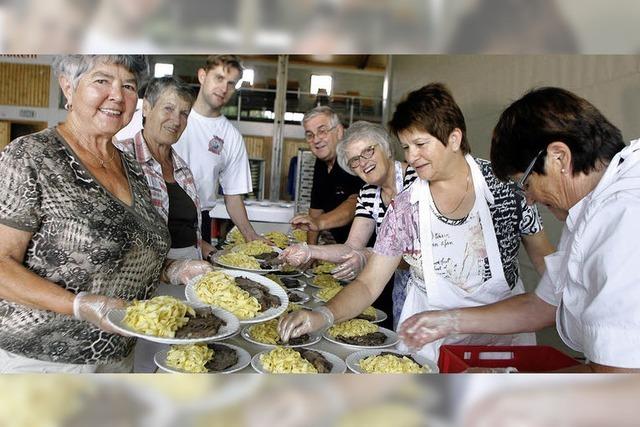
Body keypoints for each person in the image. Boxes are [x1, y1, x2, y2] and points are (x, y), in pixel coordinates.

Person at [279, 83, 555, 362]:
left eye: (421, 145)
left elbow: (545, 259)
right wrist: (323, 315)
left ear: (454, 138)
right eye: (406, 147)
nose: (411, 157)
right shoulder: (404, 208)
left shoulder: (505, 189)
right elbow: (368, 284)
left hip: (503, 341)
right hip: (431, 342)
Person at [398, 87, 640, 373]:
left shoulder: (623, 220)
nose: (528, 198)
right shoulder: (590, 212)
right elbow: (545, 305)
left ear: (559, 157)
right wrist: (448, 320)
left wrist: (503, 387)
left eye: (524, 183)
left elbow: (619, 383)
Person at [0, 55, 208, 373]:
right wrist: (79, 305)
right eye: (101, 81)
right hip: (44, 360)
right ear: (68, 87)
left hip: (117, 355)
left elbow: (123, 254)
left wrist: (174, 270)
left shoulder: (133, 169)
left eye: (127, 85)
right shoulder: (30, 156)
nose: (116, 95)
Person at [115, 75, 217, 372]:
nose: (177, 119)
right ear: (146, 108)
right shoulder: (120, 156)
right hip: (145, 280)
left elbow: (186, 228)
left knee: (182, 358)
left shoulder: (181, 166)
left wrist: (211, 254)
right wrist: (172, 268)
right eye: (168, 109)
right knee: (148, 359)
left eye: (184, 113)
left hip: (188, 278)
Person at [279, 121, 417, 327]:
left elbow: (418, 252)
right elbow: (352, 247)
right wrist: (309, 251)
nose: (363, 162)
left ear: (387, 148)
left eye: (368, 151)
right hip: (397, 282)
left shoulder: (416, 180)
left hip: (429, 286)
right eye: (354, 161)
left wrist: (368, 255)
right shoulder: (369, 193)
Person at [172, 55, 264, 244]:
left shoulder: (231, 137)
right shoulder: (171, 117)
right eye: (219, 78)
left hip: (198, 221)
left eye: (231, 84)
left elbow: (233, 196)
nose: (224, 89)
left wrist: (250, 236)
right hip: (156, 213)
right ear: (202, 76)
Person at [291, 106, 366, 245]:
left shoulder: (351, 158)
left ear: (338, 131)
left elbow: (355, 204)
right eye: (310, 135)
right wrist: (310, 250)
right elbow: (315, 210)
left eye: (322, 131)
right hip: (343, 246)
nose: (316, 139)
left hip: (369, 249)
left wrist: (318, 223)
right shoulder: (321, 162)